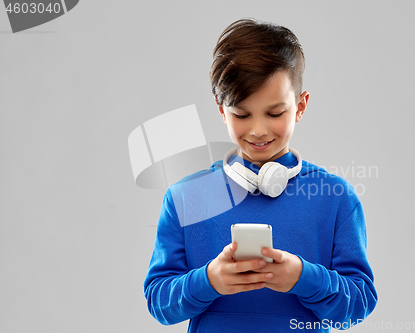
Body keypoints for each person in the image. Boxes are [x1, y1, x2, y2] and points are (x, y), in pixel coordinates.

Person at [144, 18, 377, 332]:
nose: (258, 130)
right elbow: (159, 303)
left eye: (275, 113)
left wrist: (302, 278)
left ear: (301, 106)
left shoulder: (334, 197)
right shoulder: (186, 197)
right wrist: (209, 280)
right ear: (220, 109)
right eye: (241, 114)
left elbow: (358, 307)